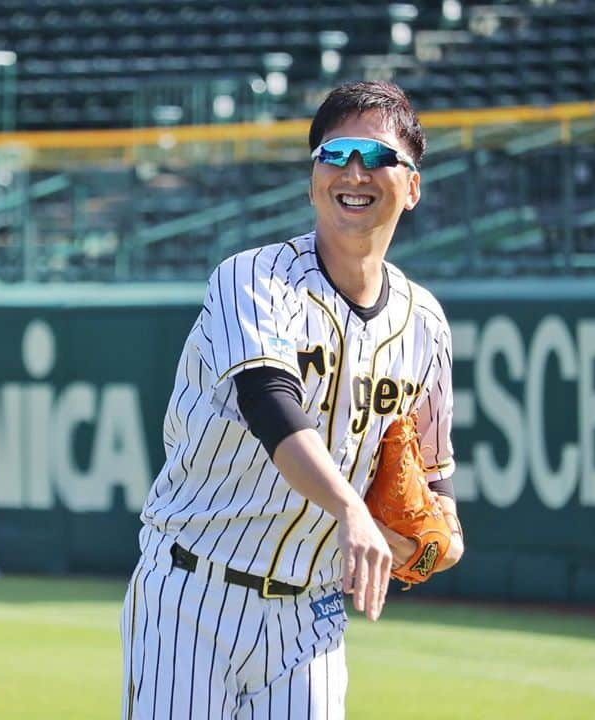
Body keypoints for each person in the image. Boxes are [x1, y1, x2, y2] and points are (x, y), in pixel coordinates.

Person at [120, 80, 464, 719]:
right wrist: (350, 512)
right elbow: (273, 408)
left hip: (314, 614)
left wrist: (431, 543)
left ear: (412, 186)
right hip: (194, 593)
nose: (353, 172)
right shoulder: (252, 280)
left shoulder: (426, 327)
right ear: (311, 180)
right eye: (334, 156)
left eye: (377, 156)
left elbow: (438, 491)